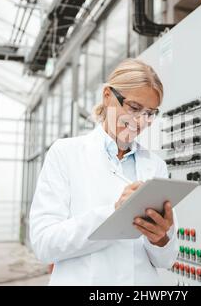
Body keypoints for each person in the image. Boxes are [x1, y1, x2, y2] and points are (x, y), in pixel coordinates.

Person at [29, 58, 179, 285]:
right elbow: (44, 244)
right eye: (134, 108)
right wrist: (114, 214)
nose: (140, 121)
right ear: (108, 96)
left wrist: (160, 239)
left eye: (150, 113)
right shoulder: (65, 153)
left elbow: (166, 260)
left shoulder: (155, 166)